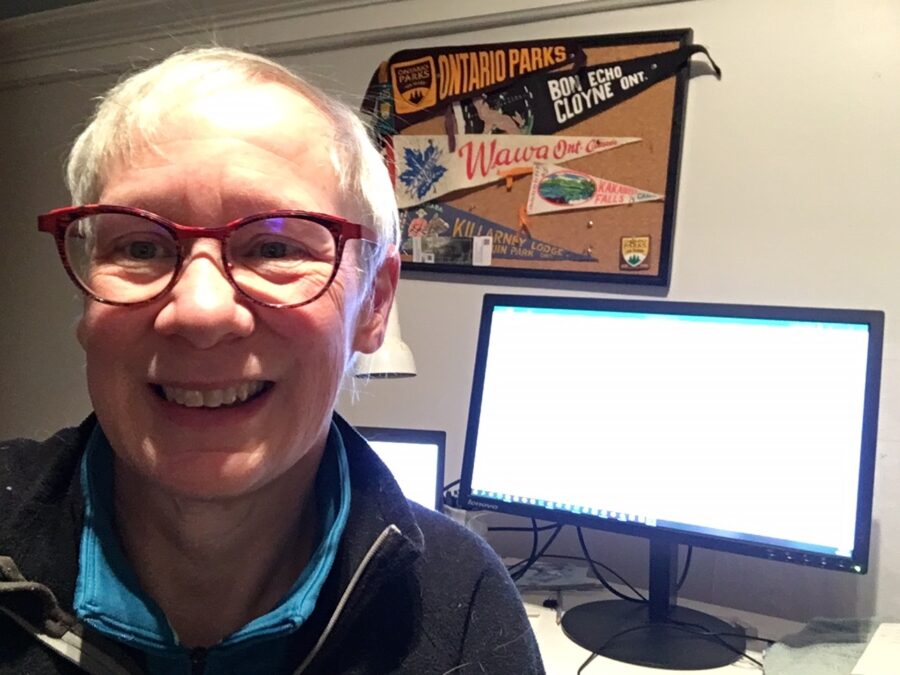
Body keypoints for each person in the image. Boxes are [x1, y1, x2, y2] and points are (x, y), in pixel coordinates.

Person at [0, 47, 544, 674]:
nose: (201, 311)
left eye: (276, 246)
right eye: (141, 245)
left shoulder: (465, 607)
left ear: (375, 304)